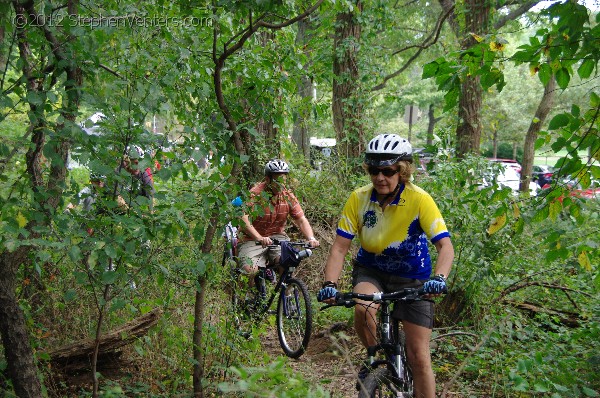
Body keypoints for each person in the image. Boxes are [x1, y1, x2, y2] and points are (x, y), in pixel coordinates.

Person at [317, 133, 454, 398]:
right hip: (373, 270)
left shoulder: (419, 199)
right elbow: (339, 247)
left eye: (388, 171)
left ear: (402, 172)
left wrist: (439, 278)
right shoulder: (358, 199)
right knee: (363, 306)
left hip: (414, 277)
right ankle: (373, 358)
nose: (380, 178)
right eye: (375, 171)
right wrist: (330, 284)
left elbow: (444, 246)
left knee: (419, 357)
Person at [237, 159, 320, 288]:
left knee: (288, 262)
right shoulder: (255, 194)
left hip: (277, 237)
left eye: (283, 180)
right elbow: (244, 219)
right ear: (267, 179)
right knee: (250, 271)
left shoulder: (287, 195)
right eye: (277, 181)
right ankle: (247, 298)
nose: (281, 185)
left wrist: (311, 238)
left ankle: (286, 298)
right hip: (252, 239)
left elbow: (301, 220)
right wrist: (258, 237)